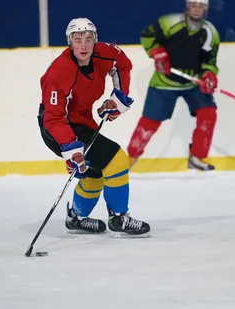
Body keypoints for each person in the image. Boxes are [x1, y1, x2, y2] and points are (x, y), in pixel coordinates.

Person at [37, 17, 151, 237]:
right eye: (77, 39)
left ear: (95, 40)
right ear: (69, 41)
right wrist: (71, 148)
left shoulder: (104, 52)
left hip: (80, 121)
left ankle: (78, 218)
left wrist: (118, 98)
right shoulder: (58, 73)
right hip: (57, 127)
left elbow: (123, 65)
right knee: (116, 160)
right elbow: (53, 118)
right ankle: (119, 217)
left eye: (88, 39)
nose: (83, 45)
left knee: (93, 173)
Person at [126, 0, 221, 172]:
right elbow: (147, 36)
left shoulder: (210, 32)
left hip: (192, 83)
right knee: (149, 123)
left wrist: (209, 75)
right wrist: (157, 52)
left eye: (201, 7)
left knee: (208, 113)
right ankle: (128, 160)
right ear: (188, 7)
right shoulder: (168, 22)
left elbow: (210, 61)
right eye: (194, 5)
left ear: (205, 10)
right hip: (164, 82)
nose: (197, 10)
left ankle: (197, 158)